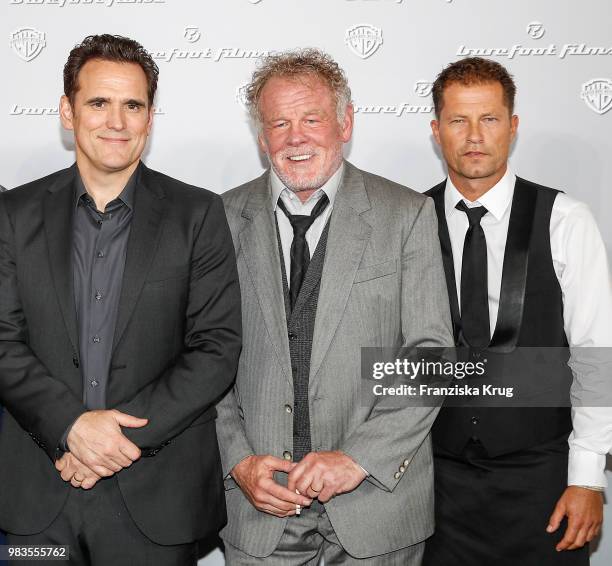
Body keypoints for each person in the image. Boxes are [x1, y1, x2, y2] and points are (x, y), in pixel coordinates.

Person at [0, 34, 241, 565]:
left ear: (150, 118)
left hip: (156, 498)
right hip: (37, 497)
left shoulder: (197, 214)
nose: (117, 120)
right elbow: (3, 343)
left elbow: (215, 348)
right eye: (98, 103)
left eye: (133, 105)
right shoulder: (12, 215)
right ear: (68, 111)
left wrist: (108, 442)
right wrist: (71, 426)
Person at [215, 48, 453, 565]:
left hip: (376, 508)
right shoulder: (219, 219)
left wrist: (357, 460)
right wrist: (237, 462)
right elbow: (201, 358)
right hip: (262, 509)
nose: (295, 137)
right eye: (279, 123)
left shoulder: (407, 214)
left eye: (311, 119)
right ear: (262, 138)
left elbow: (431, 358)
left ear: (345, 123)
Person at [422, 57, 612, 565]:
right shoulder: (408, 221)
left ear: (513, 125)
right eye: (459, 121)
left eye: (490, 118)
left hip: (544, 477)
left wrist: (587, 478)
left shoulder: (566, 220)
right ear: (437, 130)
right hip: (434, 484)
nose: (475, 136)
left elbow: (596, 355)